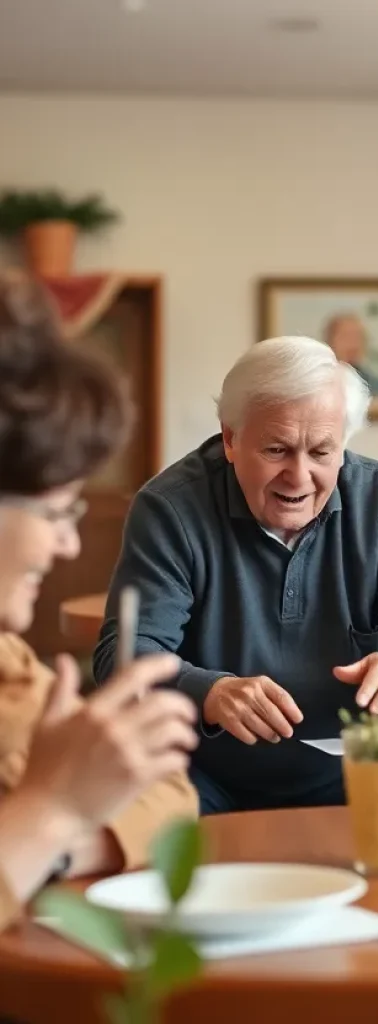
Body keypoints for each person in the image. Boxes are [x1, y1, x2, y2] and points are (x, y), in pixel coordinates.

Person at [94, 335, 378, 814]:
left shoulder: (376, 495)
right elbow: (123, 656)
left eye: (321, 452)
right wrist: (211, 692)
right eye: (277, 450)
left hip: (353, 776)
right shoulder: (170, 508)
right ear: (231, 438)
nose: (299, 476)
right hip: (204, 781)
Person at [0, 271, 196, 929]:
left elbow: (166, 795)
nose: (66, 545)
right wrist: (50, 811)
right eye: (56, 512)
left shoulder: (10, 662)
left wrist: (52, 842)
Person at [324, 313, 378, 397]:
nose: (353, 344)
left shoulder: (372, 385)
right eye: (346, 336)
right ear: (330, 342)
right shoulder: (318, 383)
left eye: (358, 337)